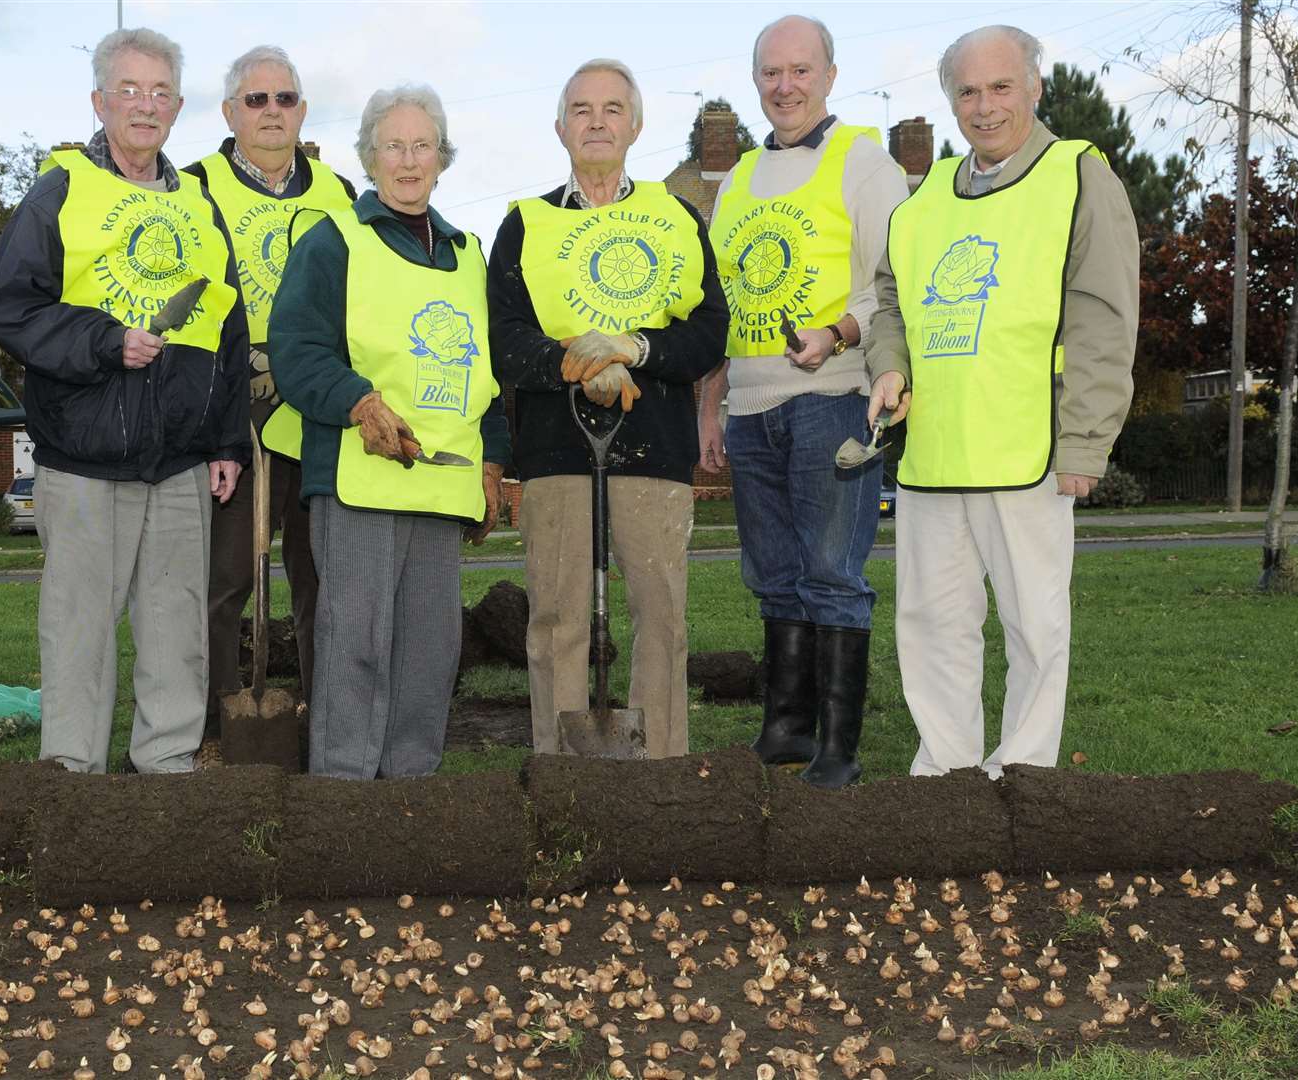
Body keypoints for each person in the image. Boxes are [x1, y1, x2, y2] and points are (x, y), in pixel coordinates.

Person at [865, 25, 1138, 778]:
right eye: (967, 91)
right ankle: (945, 776)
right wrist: (888, 367)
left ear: (1036, 88)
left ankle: (1022, 778)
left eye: (1001, 87)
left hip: (1031, 451)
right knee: (932, 626)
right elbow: (888, 303)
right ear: (951, 100)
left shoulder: (1078, 176)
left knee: (1035, 628)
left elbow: (1104, 316)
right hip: (933, 452)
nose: (984, 107)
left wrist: (1085, 441)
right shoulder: (923, 204)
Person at [0, 27, 251, 775]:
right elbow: (13, 310)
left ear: (178, 107)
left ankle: (166, 773)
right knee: (79, 629)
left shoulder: (200, 202)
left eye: (161, 92)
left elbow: (227, 329)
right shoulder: (59, 193)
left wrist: (228, 441)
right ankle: (70, 777)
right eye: (130, 90)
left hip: (180, 462)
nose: (146, 106)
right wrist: (106, 340)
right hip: (84, 459)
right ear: (100, 101)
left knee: (176, 631)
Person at [269, 84, 510, 780]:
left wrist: (493, 461)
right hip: (356, 481)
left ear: (443, 157)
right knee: (355, 641)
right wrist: (358, 402)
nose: (409, 161)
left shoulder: (468, 253)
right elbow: (297, 350)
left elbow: (486, 375)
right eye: (394, 146)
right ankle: (344, 792)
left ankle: (412, 793)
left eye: (422, 145)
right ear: (370, 158)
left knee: (432, 648)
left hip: (442, 485)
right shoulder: (333, 241)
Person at [489, 59, 728, 759]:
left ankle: (659, 772)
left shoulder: (675, 216)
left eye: (612, 109)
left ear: (636, 125)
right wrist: (577, 366)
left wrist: (636, 350)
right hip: (557, 448)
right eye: (582, 109)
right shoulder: (524, 225)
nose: (597, 121)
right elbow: (505, 337)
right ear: (561, 127)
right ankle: (562, 774)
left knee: (661, 616)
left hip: (653, 444)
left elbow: (710, 329)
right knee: (558, 617)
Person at [697, 16, 911, 788]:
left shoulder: (866, 163)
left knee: (831, 571)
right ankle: (784, 728)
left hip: (832, 398)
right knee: (773, 572)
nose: (784, 86)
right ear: (755, 81)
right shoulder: (739, 180)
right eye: (769, 73)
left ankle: (839, 748)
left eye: (799, 71)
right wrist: (710, 407)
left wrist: (838, 331)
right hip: (751, 407)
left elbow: (893, 285)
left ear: (828, 74)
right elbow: (721, 304)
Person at [183, 45, 357, 733]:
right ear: (230, 112)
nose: (272, 112)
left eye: (285, 99)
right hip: (236, 400)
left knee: (320, 573)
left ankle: (326, 715)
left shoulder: (339, 194)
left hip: (317, 402)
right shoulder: (194, 186)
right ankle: (220, 719)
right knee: (227, 575)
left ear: (303, 111)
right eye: (256, 100)